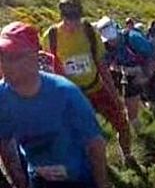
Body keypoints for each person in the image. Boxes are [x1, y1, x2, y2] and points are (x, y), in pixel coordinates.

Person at [0, 22, 108, 188]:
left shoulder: (65, 93)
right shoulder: (2, 97)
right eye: (1, 56)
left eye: (14, 57)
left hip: (79, 180)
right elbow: (5, 142)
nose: (5, 64)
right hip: (38, 180)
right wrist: (20, 180)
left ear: (35, 57)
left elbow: (95, 144)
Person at [41, 0, 133, 163]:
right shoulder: (51, 36)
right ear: (61, 16)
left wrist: (114, 94)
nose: (73, 22)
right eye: (69, 18)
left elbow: (101, 66)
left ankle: (127, 156)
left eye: (76, 17)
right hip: (72, 96)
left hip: (97, 88)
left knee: (122, 123)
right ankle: (91, 165)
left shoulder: (90, 32)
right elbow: (50, 70)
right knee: (79, 135)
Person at [95, 16, 155, 130]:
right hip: (129, 75)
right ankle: (141, 133)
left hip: (151, 71)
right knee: (131, 111)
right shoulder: (105, 47)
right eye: (108, 39)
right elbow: (105, 66)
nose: (112, 42)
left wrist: (146, 74)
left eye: (113, 38)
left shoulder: (133, 38)